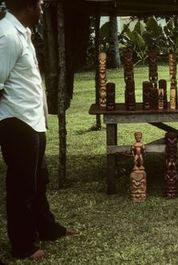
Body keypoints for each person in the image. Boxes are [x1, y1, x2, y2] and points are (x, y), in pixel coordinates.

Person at [0, 0, 75, 260]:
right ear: (28, 6)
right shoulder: (7, 36)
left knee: (39, 180)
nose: (43, 8)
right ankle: (23, 245)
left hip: (33, 121)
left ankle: (47, 228)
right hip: (17, 122)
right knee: (22, 187)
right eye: (40, 4)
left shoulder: (23, 31)